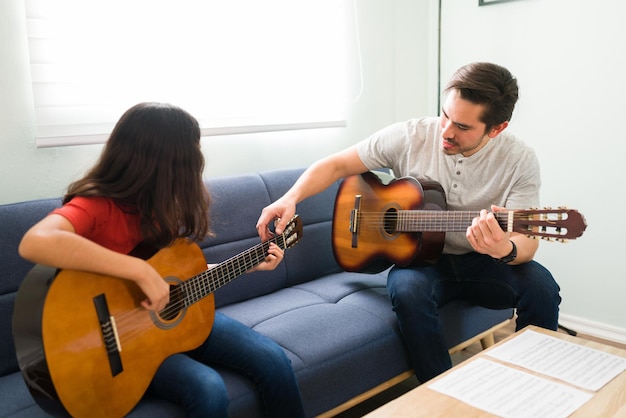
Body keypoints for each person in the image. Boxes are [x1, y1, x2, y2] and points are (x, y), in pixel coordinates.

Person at [256, 62, 561, 383]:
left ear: (496, 129)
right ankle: (442, 390)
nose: (446, 130)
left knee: (542, 287)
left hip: (483, 262)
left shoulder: (519, 160)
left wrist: (504, 248)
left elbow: (527, 243)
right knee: (407, 291)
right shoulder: (410, 135)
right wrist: (289, 198)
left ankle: (536, 382)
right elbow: (334, 166)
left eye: (462, 126)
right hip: (420, 259)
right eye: (445, 115)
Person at [19, 102, 305, 418]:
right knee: (208, 388)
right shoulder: (96, 205)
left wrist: (248, 264)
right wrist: (137, 269)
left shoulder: (158, 206)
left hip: (170, 325)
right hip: (124, 347)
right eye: (191, 157)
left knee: (273, 360)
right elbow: (35, 242)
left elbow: (169, 280)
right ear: (165, 163)